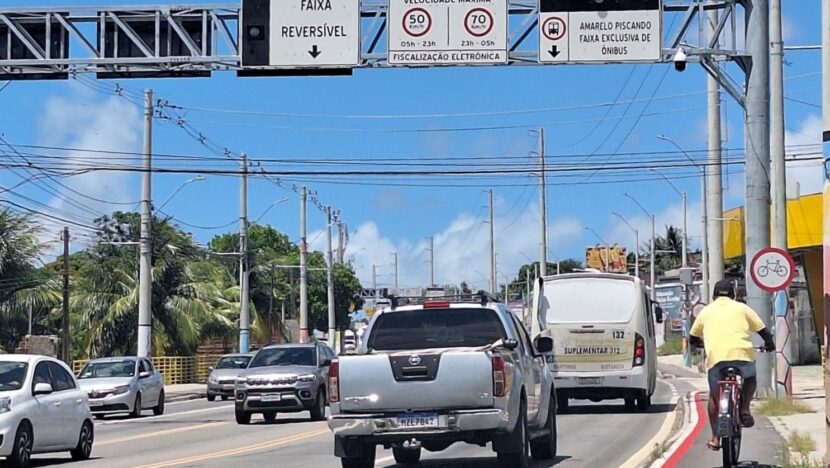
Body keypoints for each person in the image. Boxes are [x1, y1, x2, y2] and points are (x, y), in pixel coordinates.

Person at [689, 279, 775, 451]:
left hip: (716, 361)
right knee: (750, 379)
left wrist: (698, 345)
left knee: (714, 398)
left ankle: (715, 438)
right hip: (742, 357)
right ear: (733, 295)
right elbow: (763, 331)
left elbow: (692, 336)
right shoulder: (743, 308)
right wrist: (770, 344)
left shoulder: (706, 312)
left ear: (713, 295)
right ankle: (744, 409)